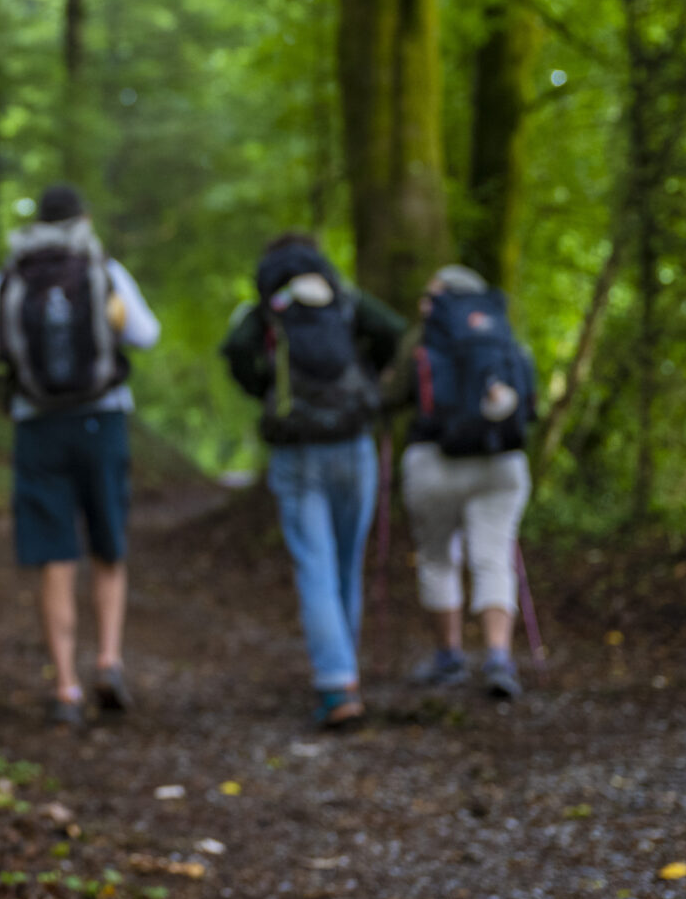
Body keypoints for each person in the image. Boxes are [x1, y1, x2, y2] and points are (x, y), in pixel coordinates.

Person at [0, 184, 162, 725]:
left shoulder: (10, 275)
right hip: (103, 419)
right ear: (84, 218)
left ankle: (66, 688)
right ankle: (108, 661)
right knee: (108, 545)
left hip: (37, 427)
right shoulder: (104, 268)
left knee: (54, 555)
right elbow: (146, 335)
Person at [219, 233, 406, 729]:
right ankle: (345, 673)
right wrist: (370, 375)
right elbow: (393, 330)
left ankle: (337, 681)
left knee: (315, 568)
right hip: (353, 442)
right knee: (347, 565)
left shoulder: (267, 307)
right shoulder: (343, 297)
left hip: (297, 450)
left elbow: (235, 351)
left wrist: (265, 389)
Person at [396, 264, 538, 700]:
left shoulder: (424, 338)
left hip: (434, 460)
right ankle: (498, 656)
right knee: (493, 557)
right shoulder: (501, 333)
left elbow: (392, 392)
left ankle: (449, 657)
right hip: (501, 460)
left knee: (439, 558)